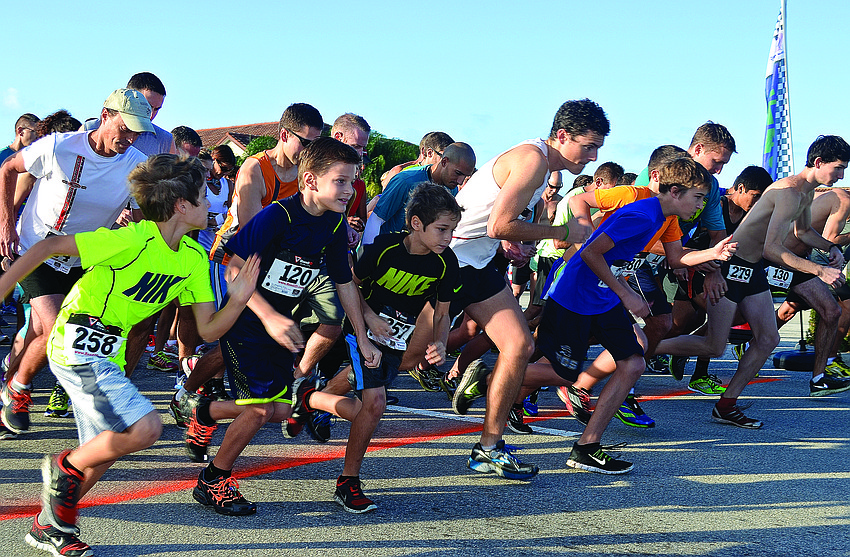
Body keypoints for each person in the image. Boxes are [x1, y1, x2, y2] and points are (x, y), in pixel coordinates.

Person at [4, 154, 258, 557]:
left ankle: (49, 526)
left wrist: (240, 299)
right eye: (202, 196)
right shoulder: (133, 239)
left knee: (107, 448)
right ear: (181, 206)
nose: (213, 204)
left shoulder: (192, 260)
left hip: (107, 352)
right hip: (76, 342)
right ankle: (61, 468)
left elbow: (208, 330)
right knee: (143, 429)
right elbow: (49, 246)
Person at [178, 137, 374, 516]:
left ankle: (205, 411)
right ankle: (213, 480)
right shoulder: (277, 216)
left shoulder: (333, 224)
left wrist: (362, 336)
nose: (350, 191)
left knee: (280, 411)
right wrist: (269, 317)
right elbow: (233, 268)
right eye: (341, 181)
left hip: (282, 324)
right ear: (311, 180)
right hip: (248, 320)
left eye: (352, 182)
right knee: (258, 410)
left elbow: (344, 281)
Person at [439, 99, 605, 480]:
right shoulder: (533, 160)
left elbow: (495, 223)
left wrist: (513, 242)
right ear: (562, 136)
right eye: (588, 146)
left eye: (597, 148)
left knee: (519, 345)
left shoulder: (541, 163)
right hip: (451, 260)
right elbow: (499, 224)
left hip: (477, 262)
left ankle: (488, 448)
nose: (593, 157)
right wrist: (563, 232)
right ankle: (318, 396)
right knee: (406, 355)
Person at [537, 157, 735, 472]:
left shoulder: (665, 218)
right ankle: (494, 378)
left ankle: (587, 446)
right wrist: (626, 293)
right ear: (674, 191)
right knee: (561, 372)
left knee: (633, 362)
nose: (701, 206)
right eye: (697, 198)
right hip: (577, 292)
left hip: (603, 294)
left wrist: (712, 253)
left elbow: (675, 258)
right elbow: (590, 251)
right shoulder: (640, 211)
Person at [656, 135, 850, 428]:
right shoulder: (787, 191)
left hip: (753, 269)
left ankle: (726, 405)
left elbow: (803, 232)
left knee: (769, 339)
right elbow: (773, 248)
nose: (842, 175)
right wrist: (818, 270)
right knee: (713, 346)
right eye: (838, 168)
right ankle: (639, 347)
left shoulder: (806, 192)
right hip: (733, 265)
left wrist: (829, 246)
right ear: (819, 163)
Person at [298, 182, 462, 512]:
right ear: (417, 223)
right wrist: (369, 318)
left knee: (359, 384)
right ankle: (348, 482)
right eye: (442, 229)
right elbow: (350, 287)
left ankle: (310, 398)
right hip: (359, 328)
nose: (447, 238)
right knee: (374, 403)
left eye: (452, 231)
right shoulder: (385, 249)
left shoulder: (446, 264)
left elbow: (443, 313)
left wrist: (441, 343)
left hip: (395, 339)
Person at [0, 89, 153, 435]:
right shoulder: (60, 146)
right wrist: (6, 223)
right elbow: (9, 168)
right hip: (35, 249)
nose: (129, 138)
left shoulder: (136, 165)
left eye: (137, 131)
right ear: (105, 115)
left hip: (82, 258)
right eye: (125, 128)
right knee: (62, 331)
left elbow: (145, 215)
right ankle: (28, 392)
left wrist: (135, 222)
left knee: (41, 332)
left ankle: (13, 388)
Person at [170, 104, 324, 425]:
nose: (311, 151)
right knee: (234, 336)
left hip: (273, 264)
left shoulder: (307, 176)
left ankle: (193, 395)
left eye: (315, 144)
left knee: (246, 339)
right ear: (284, 135)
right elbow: (255, 232)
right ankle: (187, 392)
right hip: (233, 260)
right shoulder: (255, 169)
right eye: (305, 143)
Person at [669, 165, 771, 394]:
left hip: (719, 275)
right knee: (674, 328)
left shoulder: (750, 215)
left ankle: (697, 371)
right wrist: (679, 261)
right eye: (755, 197)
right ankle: (631, 360)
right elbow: (678, 235)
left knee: (722, 321)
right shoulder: (714, 205)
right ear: (741, 188)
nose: (757, 204)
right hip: (692, 270)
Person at [362, 142, 475, 244]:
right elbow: (376, 219)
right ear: (444, 161)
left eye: (465, 176)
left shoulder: (452, 189)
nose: (460, 181)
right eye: (458, 173)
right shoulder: (406, 181)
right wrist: (367, 256)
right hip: (386, 250)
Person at [82, 72, 174, 156]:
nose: (151, 115)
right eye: (147, 107)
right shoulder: (89, 129)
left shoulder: (165, 141)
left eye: (156, 109)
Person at [379, 131, 454, 189]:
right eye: (444, 157)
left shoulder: (449, 181)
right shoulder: (404, 174)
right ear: (429, 152)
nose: (448, 163)